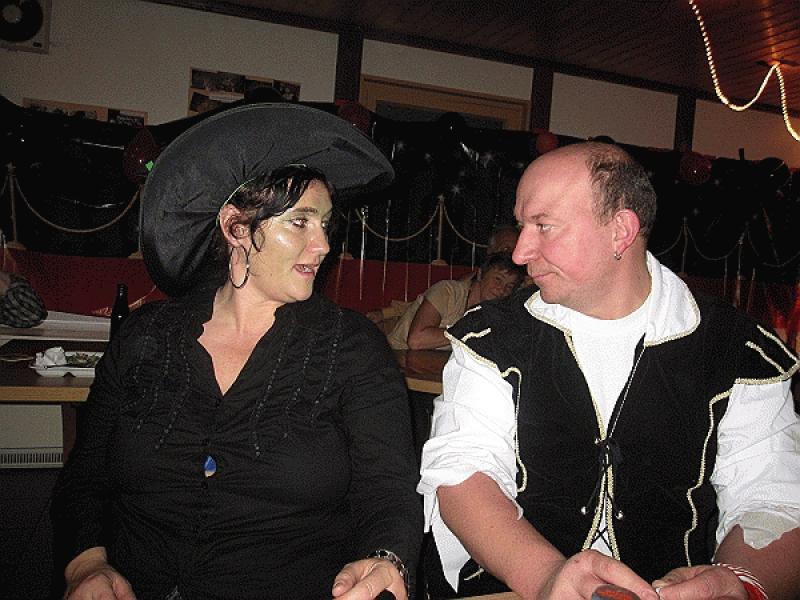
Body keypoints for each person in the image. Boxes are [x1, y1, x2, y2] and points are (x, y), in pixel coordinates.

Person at [51, 104, 423, 600]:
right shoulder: (144, 337)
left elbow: (389, 489)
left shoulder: (354, 347)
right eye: (300, 222)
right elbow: (84, 478)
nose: (323, 245)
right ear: (236, 228)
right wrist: (86, 565)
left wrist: (386, 558)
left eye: (325, 224)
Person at [418, 142, 800, 600]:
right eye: (522, 226)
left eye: (543, 226)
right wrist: (545, 577)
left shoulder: (737, 348)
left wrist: (742, 583)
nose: (519, 252)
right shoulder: (490, 335)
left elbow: (773, 499)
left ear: (620, 231)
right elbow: (463, 473)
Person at [387, 252, 525, 350]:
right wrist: (466, 330)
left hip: (432, 368)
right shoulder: (448, 291)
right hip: (397, 360)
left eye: (509, 287)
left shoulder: (495, 312)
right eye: (498, 279)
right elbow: (416, 340)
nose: (502, 290)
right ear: (480, 274)